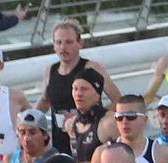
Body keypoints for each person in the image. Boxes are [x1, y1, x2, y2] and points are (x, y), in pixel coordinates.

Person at [40, 18, 120, 150]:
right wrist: (27, 120)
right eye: (58, 42)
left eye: (69, 42)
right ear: (53, 45)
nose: (63, 47)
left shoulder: (92, 68)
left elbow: (118, 100)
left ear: (80, 43)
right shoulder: (50, 70)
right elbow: (44, 100)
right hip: (60, 142)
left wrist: (91, 118)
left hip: (89, 142)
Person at [64, 73, 111, 163]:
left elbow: (126, 158)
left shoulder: (110, 122)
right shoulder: (70, 124)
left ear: (98, 95)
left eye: (84, 89)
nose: (78, 94)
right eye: (75, 89)